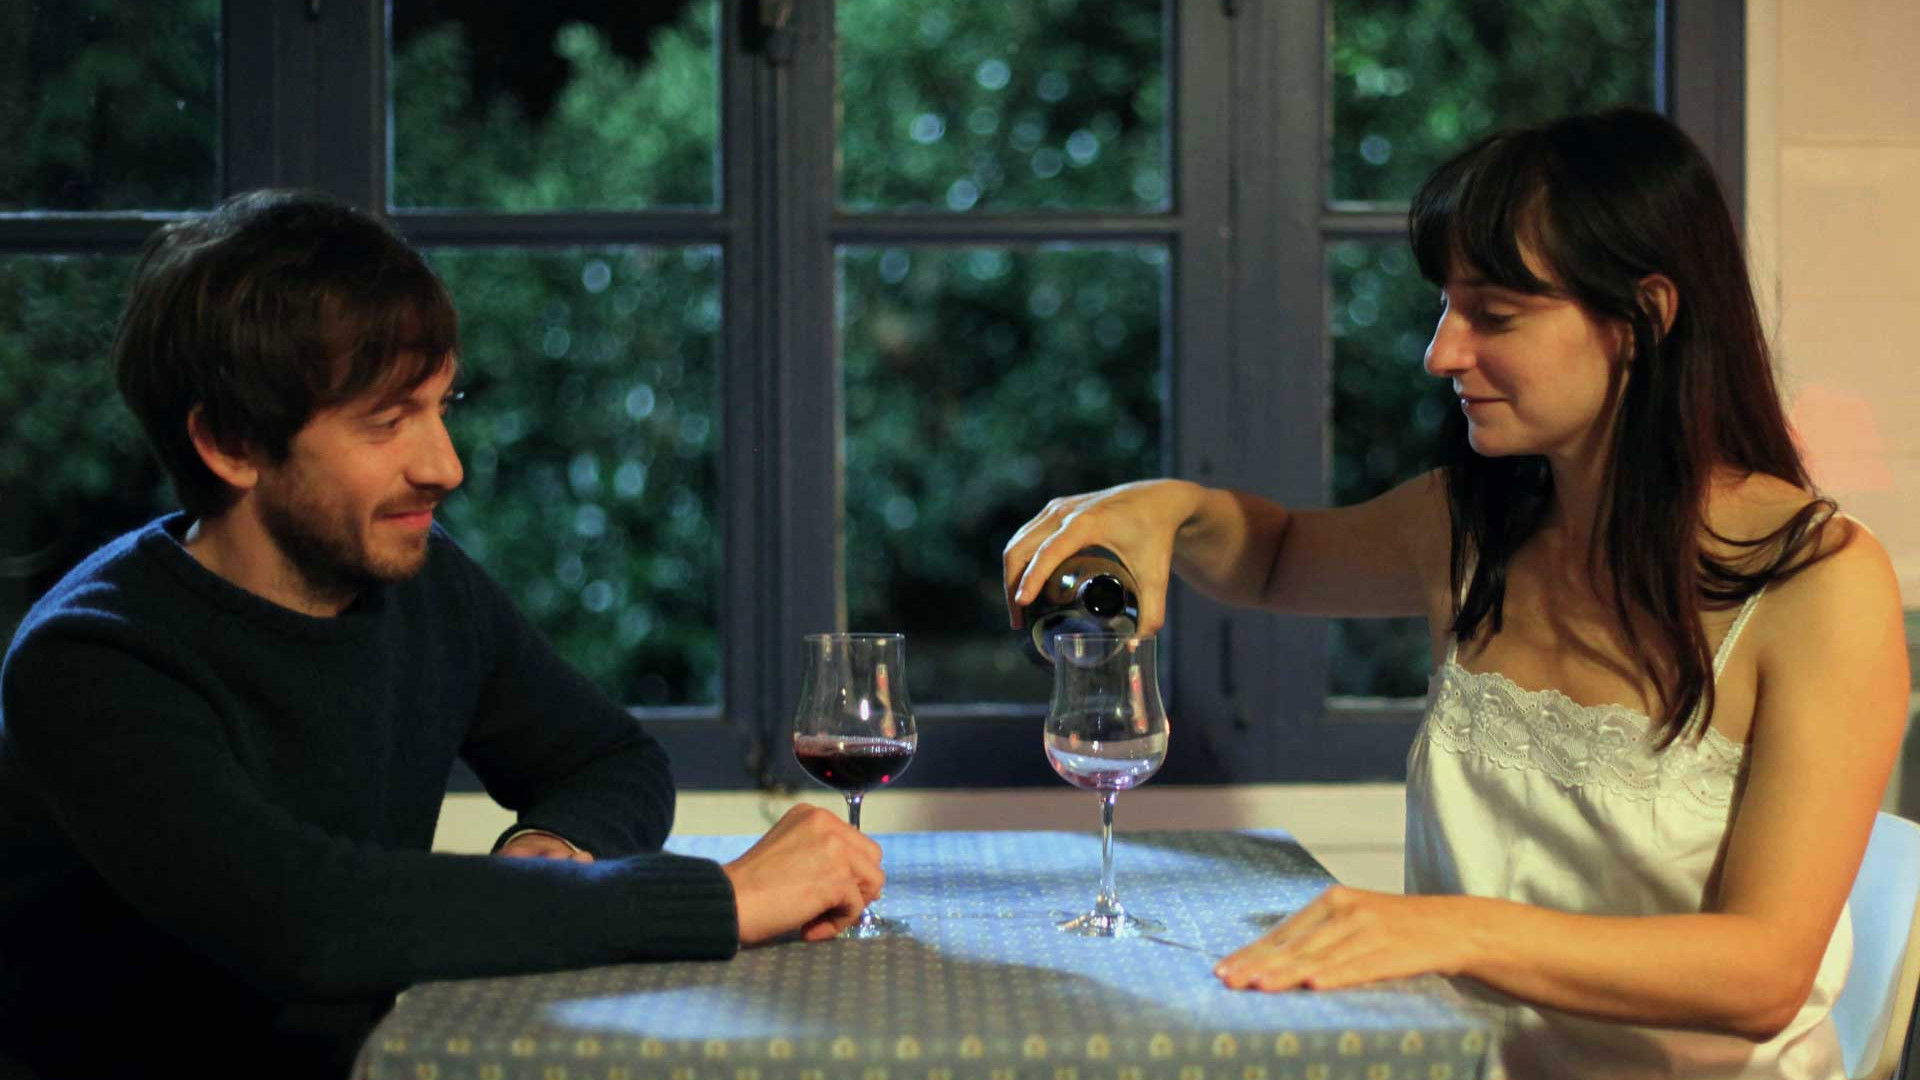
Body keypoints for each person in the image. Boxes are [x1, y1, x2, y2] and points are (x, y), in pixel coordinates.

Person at [1002, 108, 1908, 1078]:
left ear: (1644, 318)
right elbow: (1274, 557)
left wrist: (1453, 931)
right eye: (1445, 306)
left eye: (1495, 316)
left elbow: (1764, 975)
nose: (1442, 352)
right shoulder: (1474, 525)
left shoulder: (1819, 585)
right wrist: (1171, 508)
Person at [0, 191, 882, 1078]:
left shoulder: (422, 585)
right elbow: (311, 922)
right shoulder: (89, 662)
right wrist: (720, 898)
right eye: (386, 422)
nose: (445, 466)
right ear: (231, 443)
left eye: (439, 405)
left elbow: (610, 761)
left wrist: (554, 853)